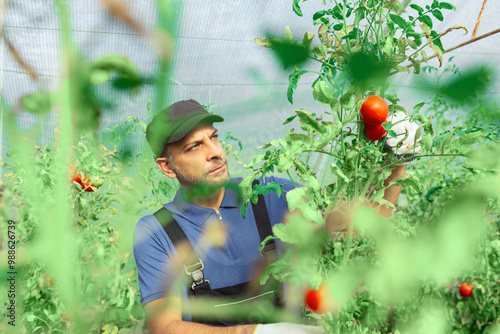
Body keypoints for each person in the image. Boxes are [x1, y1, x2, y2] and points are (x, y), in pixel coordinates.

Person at [133, 100, 416, 334]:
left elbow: (364, 221)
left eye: (214, 137)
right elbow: (165, 326)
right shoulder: (157, 232)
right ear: (167, 167)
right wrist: (254, 332)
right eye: (194, 146)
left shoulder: (272, 193)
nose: (216, 153)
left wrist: (395, 166)